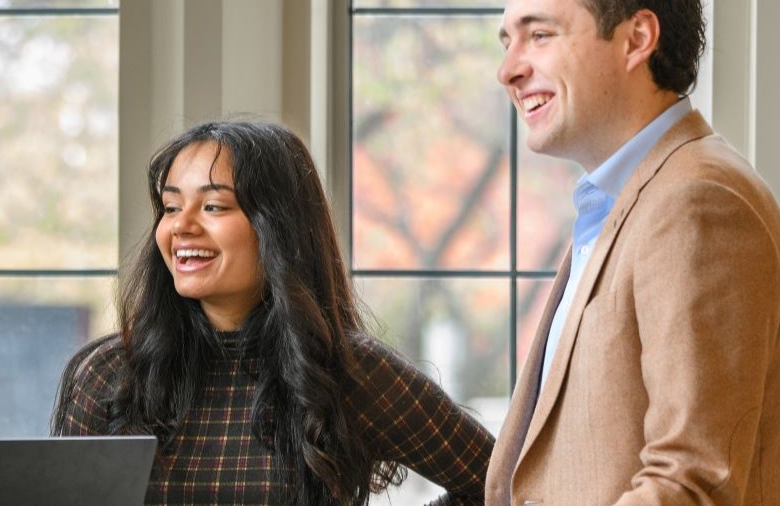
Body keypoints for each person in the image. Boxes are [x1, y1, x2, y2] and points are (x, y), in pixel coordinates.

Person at [484, 0, 780, 504]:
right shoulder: (622, 202)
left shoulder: (698, 203)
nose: (509, 69)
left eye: (540, 34)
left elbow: (691, 482)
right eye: (508, 41)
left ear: (637, 39)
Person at [53, 120, 494, 505]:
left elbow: (499, 484)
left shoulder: (350, 371)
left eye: (213, 206)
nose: (181, 226)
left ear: (277, 227)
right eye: (170, 207)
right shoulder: (106, 374)